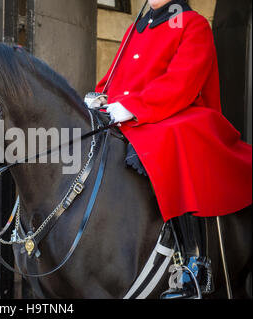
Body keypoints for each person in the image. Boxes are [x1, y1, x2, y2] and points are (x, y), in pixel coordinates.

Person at [93, 0, 252, 299]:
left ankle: (193, 262)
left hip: (181, 113)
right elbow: (112, 79)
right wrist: (100, 100)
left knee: (170, 136)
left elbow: (182, 82)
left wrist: (130, 107)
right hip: (136, 116)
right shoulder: (134, 30)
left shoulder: (193, 24)